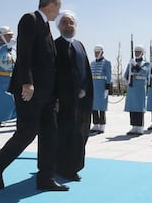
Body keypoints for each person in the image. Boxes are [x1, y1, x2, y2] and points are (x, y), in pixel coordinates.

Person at [0, 0, 68, 191]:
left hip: (47, 92)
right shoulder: (29, 19)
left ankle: (45, 178)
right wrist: (27, 83)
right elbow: (24, 52)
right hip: (30, 90)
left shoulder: (46, 26)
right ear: (49, 6)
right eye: (57, 8)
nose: (58, 13)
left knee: (50, 134)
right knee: (27, 132)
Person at [54, 10, 93, 181]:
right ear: (59, 26)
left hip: (82, 99)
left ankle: (75, 164)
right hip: (64, 100)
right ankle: (64, 168)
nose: (68, 25)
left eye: (71, 22)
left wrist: (85, 89)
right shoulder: (55, 45)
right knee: (66, 134)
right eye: (64, 22)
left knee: (81, 133)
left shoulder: (79, 45)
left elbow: (84, 68)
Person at [123, 45, 149, 135]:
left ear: (142, 53)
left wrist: (135, 65)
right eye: (135, 52)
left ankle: (140, 127)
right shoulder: (130, 63)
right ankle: (134, 126)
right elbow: (125, 74)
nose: (137, 53)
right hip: (132, 86)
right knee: (132, 106)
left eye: (138, 52)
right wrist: (126, 79)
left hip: (140, 86)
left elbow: (144, 72)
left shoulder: (146, 63)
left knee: (139, 107)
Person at [90, 45, 111, 134]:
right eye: (95, 52)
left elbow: (109, 76)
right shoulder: (92, 63)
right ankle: (95, 124)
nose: (96, 54)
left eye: (98, 52)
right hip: (93, 86)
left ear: (102, 52)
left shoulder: (106, 62)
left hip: (101, 86)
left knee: (101, 107)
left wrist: (107, 88)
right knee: (93, 107)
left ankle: (102, 125)